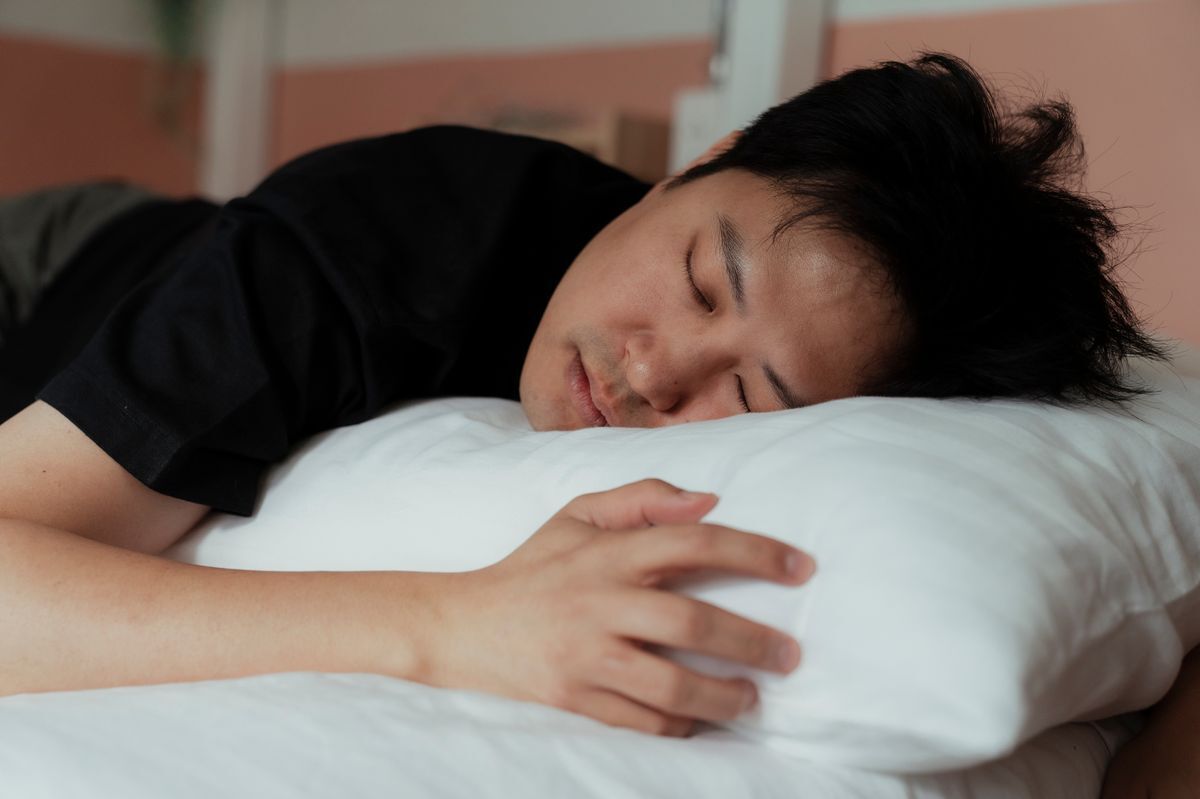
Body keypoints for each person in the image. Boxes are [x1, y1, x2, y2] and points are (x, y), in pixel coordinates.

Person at [0, 51, 1185, 788]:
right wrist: (447, 624)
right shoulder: (385, 238)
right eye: (703, 280)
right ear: (702, 161)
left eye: (755, 397)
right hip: (51, 268)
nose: (652, 373)